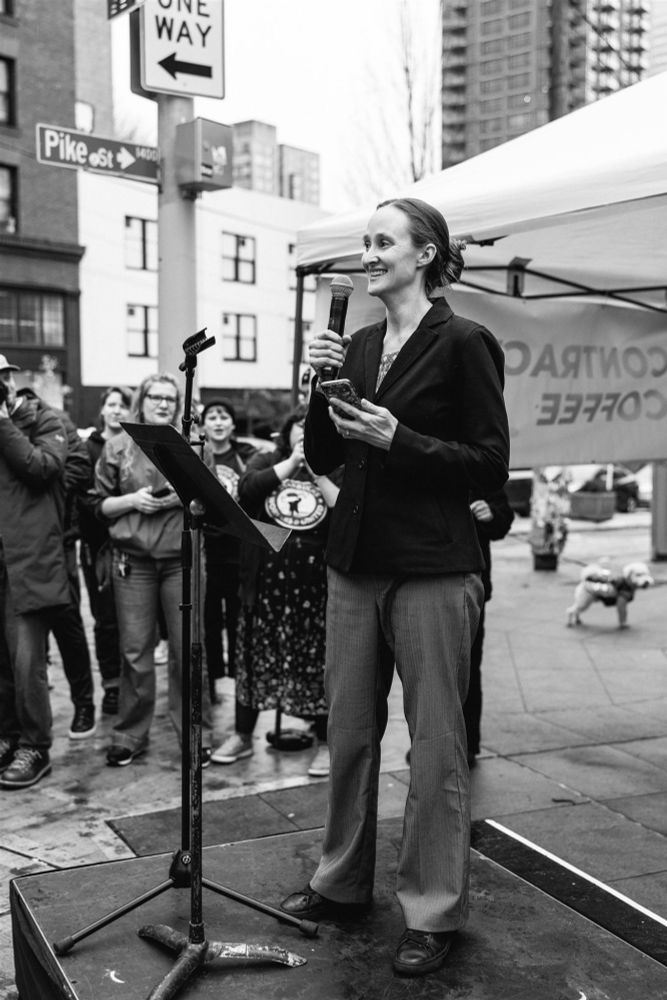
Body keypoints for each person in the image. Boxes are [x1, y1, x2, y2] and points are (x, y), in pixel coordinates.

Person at [279, 197, 510, 976]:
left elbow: (486, 461)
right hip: (354, 563)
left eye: (383, 241)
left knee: (436, 747)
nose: (368, 252)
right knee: (347, 736)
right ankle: (340, 881)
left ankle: (432, 908)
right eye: (365, 241)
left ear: (425, 254)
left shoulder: (464, 342)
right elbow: (324, 452)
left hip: (433, 569)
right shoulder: (361, 341)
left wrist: (399, 438)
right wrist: (320, 384)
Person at [211, 409, 339, 778]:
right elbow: (246, 490)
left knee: (318, 666)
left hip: (315, 590)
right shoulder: (267, 459)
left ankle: (327, 744)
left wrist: (317, 471)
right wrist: (293, 462)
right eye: (302, 430)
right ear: (288, 433)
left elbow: (345, 509)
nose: (307, 436)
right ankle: (241, 736)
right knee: (253, 662)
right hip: (264, 587)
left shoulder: (337, 466)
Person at [94, 373, 214, 766]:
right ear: (141, 401)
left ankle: (195, 731)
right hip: (133, 561)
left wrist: (192, 502)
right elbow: (99, 507)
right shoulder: (117, 446)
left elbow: (211, 502)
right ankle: (130, 732)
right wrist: (133, 501)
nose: (163, 404)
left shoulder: (194, 444)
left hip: (182, 559)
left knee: (188, 649)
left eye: (170, 398)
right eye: (155, 397)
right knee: (134, 651)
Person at [0, 356, 70, 788]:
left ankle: (35, 746)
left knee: (27, 662)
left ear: (7, 381)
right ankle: (7, 736)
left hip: (29, 562)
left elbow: (42, 468)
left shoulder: (45, 419)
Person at [15, 387, 98, 741]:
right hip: (18, 543)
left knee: (66, 621)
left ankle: (84, 704)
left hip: (58, 537)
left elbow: (80, 467)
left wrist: (39, 494)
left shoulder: (54, 420)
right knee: (27, 623)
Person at [78, 386, 132, 716]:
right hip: (98, 544)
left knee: (134, 621)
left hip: (131, 541)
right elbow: (86, 499)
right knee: (105, 620)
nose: (116, 410)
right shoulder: (88, 448)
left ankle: (131, 681)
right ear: (102, 410)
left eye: (122, 405)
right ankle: (111, 685)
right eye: (111, 405)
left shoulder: (134, 444)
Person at [200, 398, 256, 703]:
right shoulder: (197, 456)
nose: (219, 422)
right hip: (207, 550)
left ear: (233, 425)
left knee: (237, 621)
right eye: (212, 416)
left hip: (237, 552)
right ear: (203, 423)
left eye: (224, 416)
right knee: (207, 622)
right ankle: (209, 687)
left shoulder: (245, 456)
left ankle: (239, 690)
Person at [464, 489, 514, 767]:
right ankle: (430, 743)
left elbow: (504, 517)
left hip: (473, 581)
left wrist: (491, 513)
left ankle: (468, 743)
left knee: (469, 666)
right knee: (427, 669)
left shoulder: (479, 467)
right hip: (422, 578)